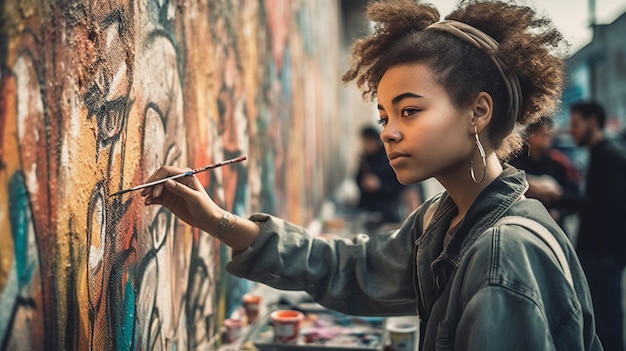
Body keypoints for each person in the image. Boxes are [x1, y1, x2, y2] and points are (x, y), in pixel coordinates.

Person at [142, 1, 602, 349]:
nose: (391, 133)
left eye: (410, 111)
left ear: (478, 111)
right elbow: (354, 269)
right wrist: (215, 220)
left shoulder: (504, 253)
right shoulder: (443, 219)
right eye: (384, 117)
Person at [569, 100, 626, 351]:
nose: (572, 131)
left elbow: (605, 207)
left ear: (593, 122)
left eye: (576, 125)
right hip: (599, 254)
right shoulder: (599, 155)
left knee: (606, 325)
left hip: (603, 254)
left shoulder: (608, 156)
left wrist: (559, 193)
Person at [509, 117, 582, 231]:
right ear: (531, 134)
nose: (546, 139)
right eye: (543, 134)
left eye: (549, 135)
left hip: (552, 225)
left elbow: (575, 198)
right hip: (521, 224)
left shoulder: (558, 162)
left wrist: (558, 206)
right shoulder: (514, 162)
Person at [355, 125, 410, 226]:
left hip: (388, 211)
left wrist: (379, 186)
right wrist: (364, 183)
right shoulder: (365, 158)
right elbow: (357, 179)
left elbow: (399, 185)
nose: (366, 145)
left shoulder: (389, 158)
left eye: (368, 141)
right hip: (367, 209)